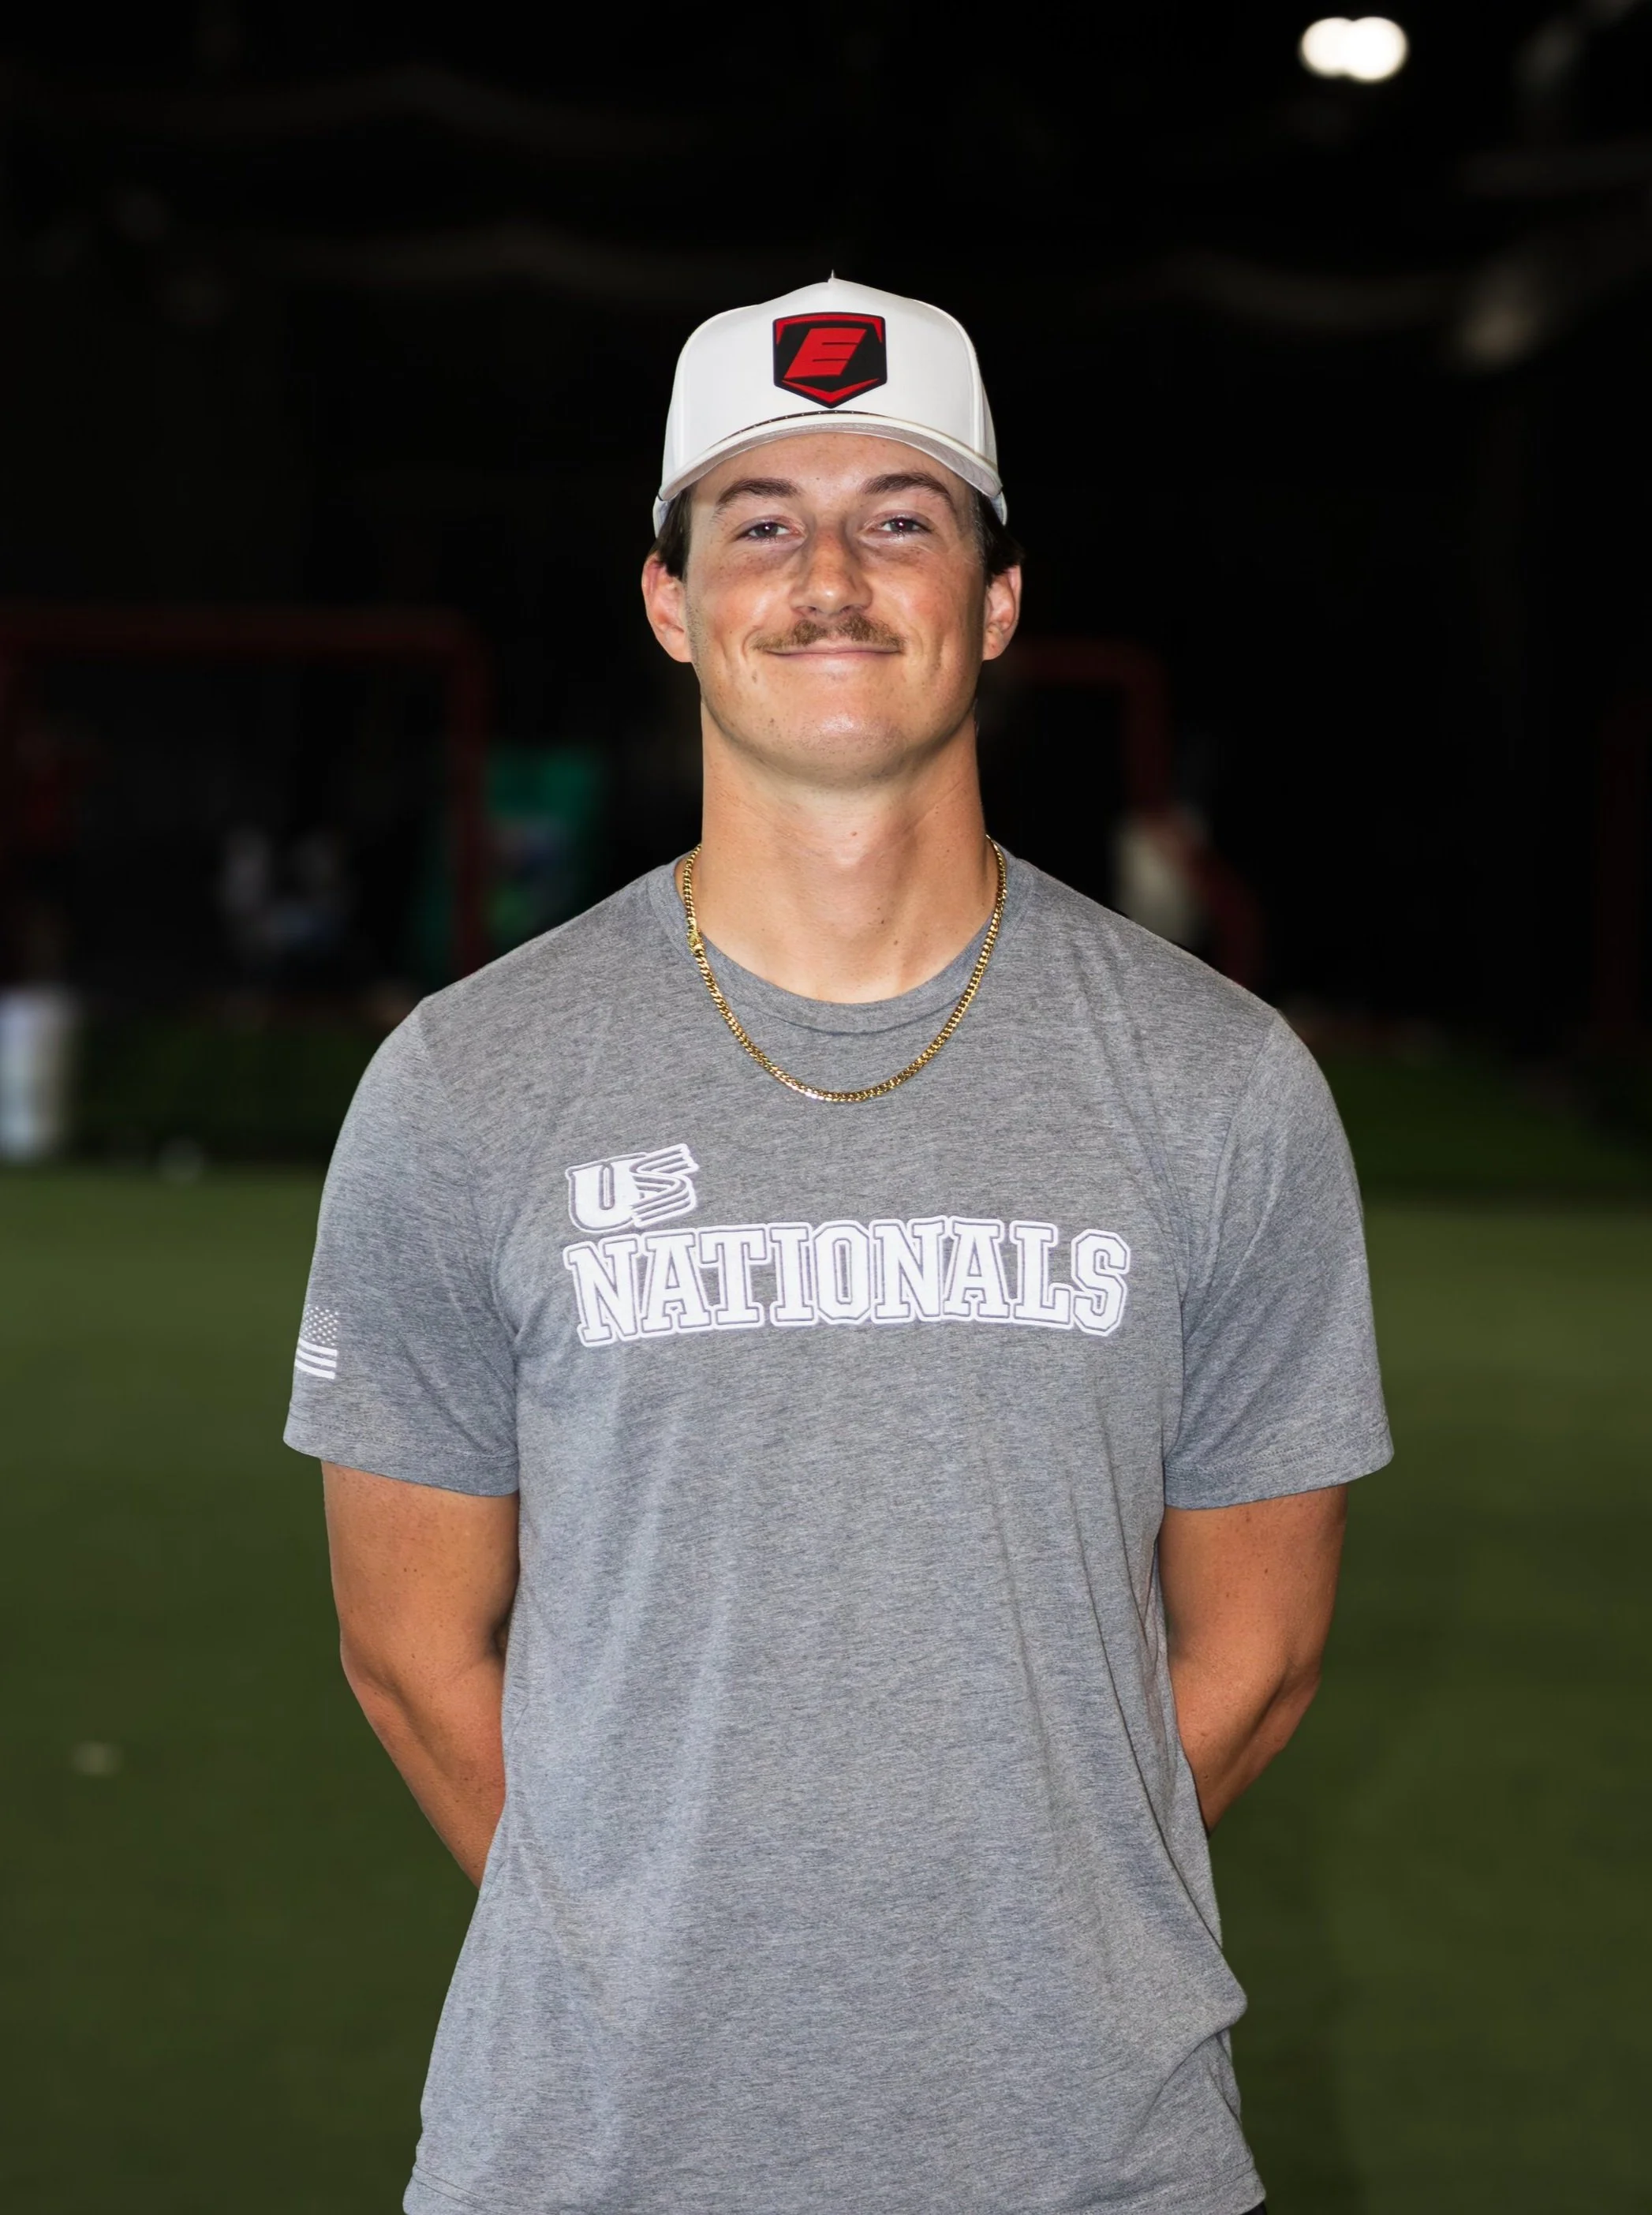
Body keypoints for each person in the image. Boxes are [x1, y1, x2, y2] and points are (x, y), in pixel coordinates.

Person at [287, 276, 1392, 2215]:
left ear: (996, 599)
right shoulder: (469, 1082)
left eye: (902, 516)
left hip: (1090, 2156)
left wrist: (1027, 1927)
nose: (830, 574)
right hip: (592, 2154)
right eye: (760, 520)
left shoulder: (1220, 1085)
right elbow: (404, 1647)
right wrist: (657, 1952)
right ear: (669, 602)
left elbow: (1264, 1646)